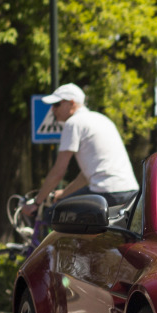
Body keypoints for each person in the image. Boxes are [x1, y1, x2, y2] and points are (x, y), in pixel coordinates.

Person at [22, 83, 138, 217]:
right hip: (130, 192)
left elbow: (58, 172)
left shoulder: (74, 123)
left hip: (106, 193)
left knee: (52, 215)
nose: (52, 109)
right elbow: (86, 176)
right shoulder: (102, 119)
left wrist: (36, 203)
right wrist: (65, 193)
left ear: (71, 103)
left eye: (57, 104)